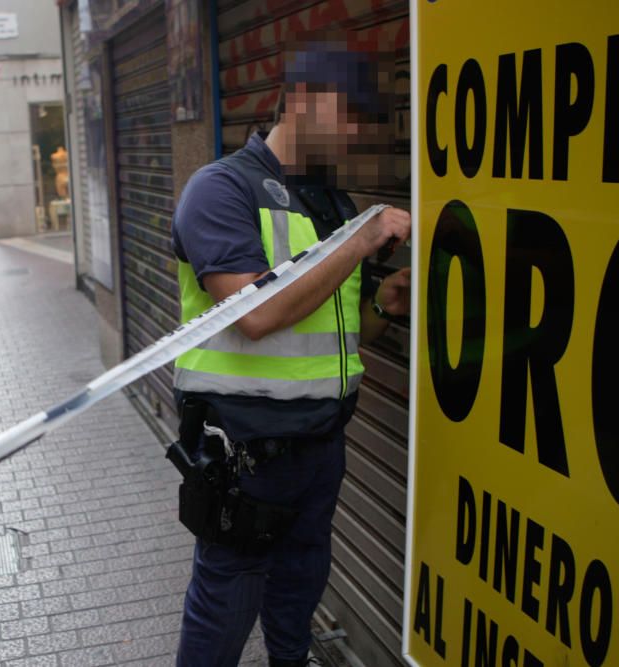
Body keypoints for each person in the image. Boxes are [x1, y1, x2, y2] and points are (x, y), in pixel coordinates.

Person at [171, 36, 411, 667]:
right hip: (247, 454)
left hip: (319, 448)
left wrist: (385, 305)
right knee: (224, 609)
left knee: (297, 605)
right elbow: (258, 317)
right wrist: (361, 244)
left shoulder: (334, 204)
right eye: (351, 113)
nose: (360, 133)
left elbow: (347, 333)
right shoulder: (219, 189)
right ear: (302, 101)